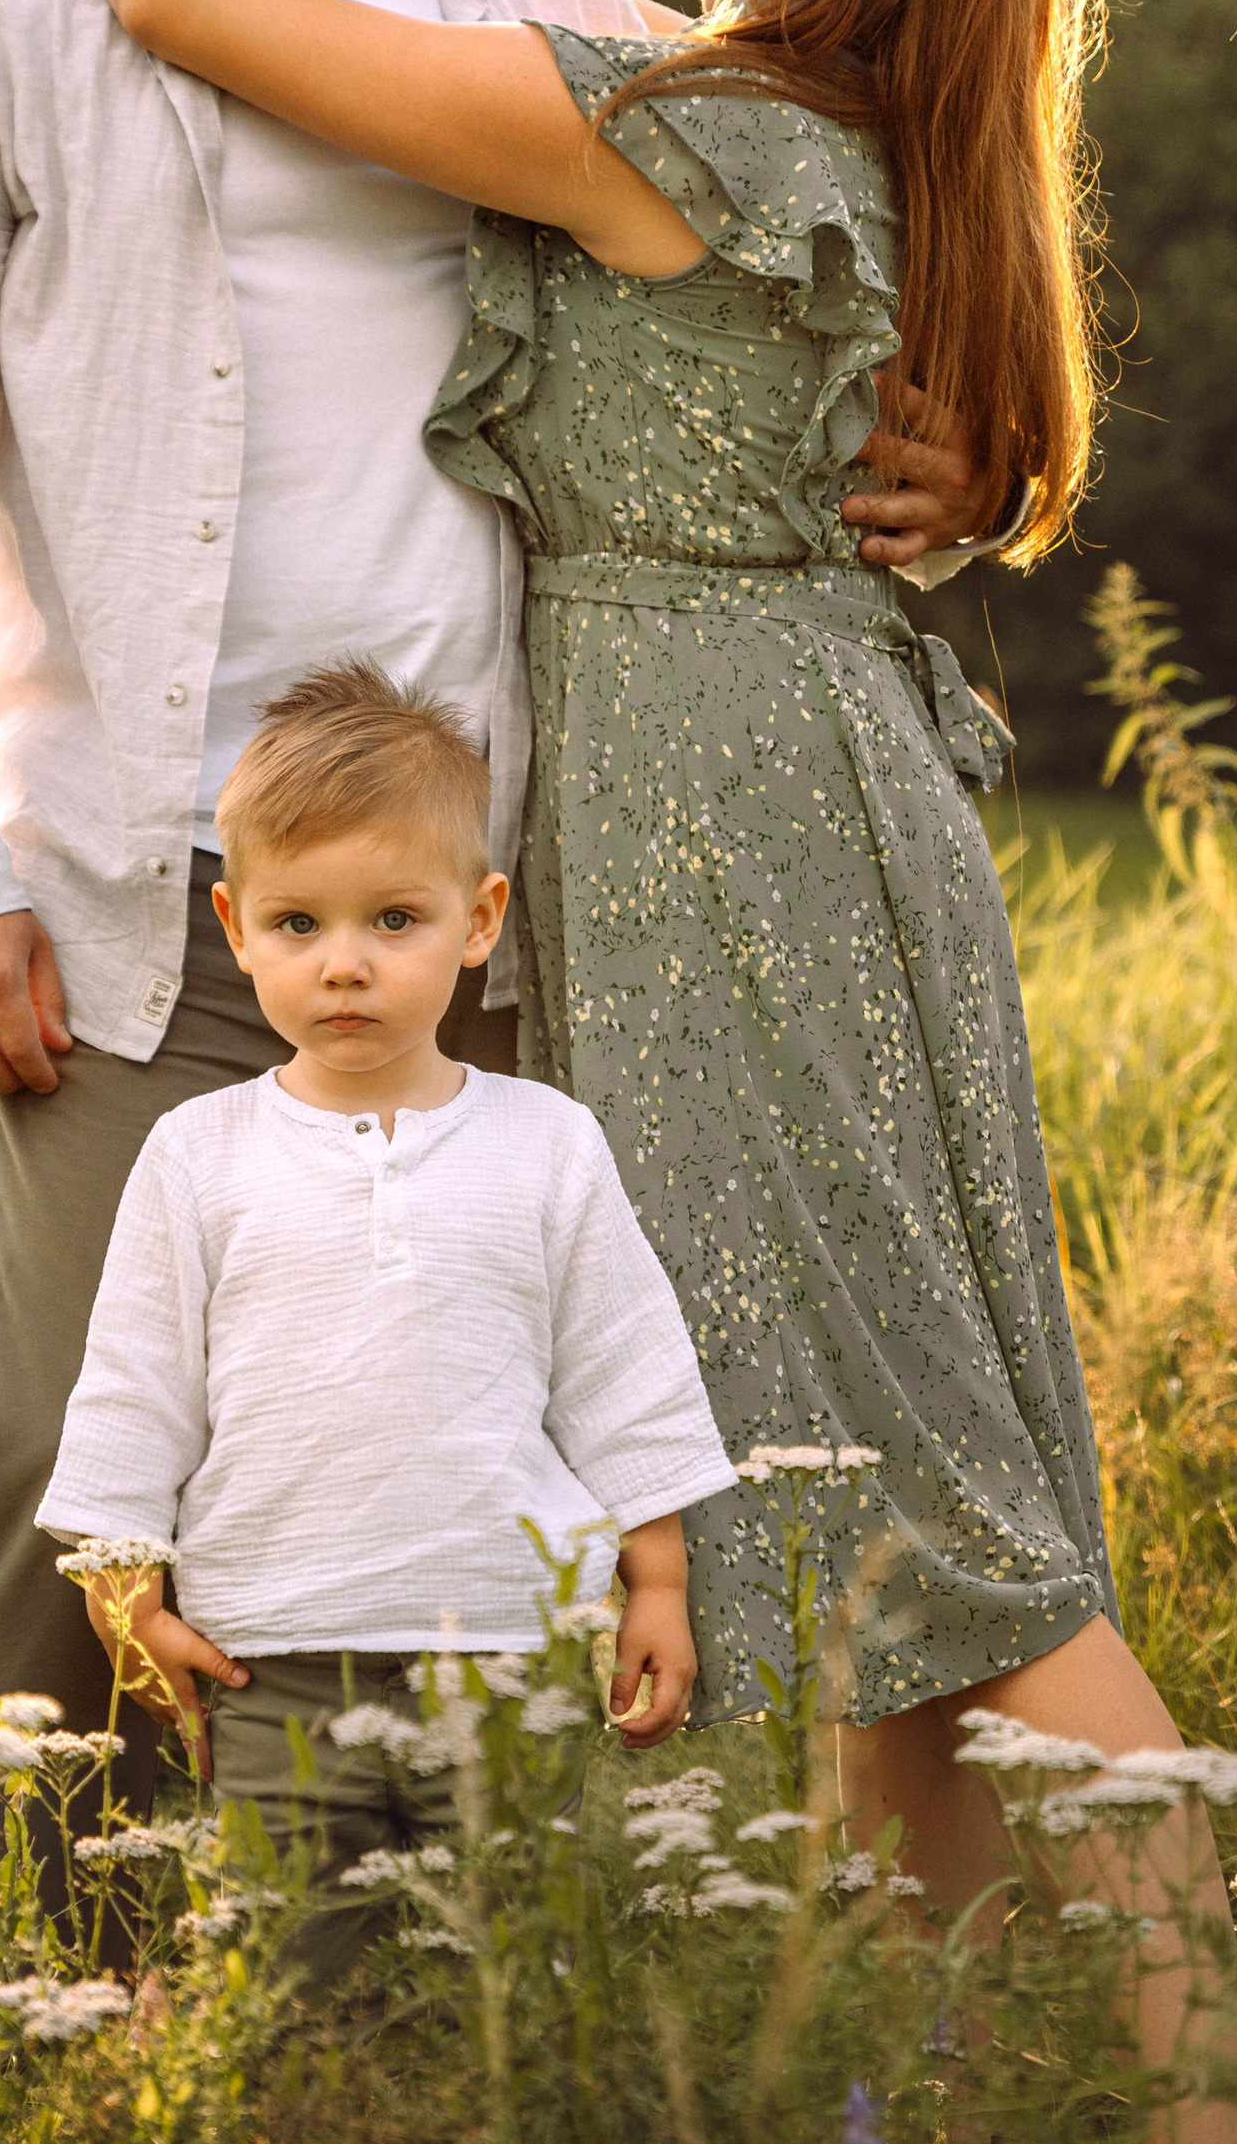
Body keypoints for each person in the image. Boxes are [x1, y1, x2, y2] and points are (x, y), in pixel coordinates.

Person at [69, 0, 1237, 2144]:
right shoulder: (783, 127)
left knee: (934, 1506)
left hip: (740, 830)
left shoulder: (665, 130)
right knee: (851, 1502)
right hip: (785, 795)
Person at [0, 0, 999, 1810]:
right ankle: (49, 1972)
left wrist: (936, 477)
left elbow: (780, 328)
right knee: (80, 1487)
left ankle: (455, 1976)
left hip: (532, 905)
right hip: (152, 909)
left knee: (501, 1486)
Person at [40, 661, 733, 1989]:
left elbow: (624, 1371)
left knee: (519, 1981)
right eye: (298, 923)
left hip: (511, 1656)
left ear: (480, 921)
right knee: (287, 1983)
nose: (344, 963)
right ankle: (286, 2123)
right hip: (273, 1662)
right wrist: (124, 1588)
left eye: (395, 919)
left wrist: (658, 1583)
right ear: (236, 927)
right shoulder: (201, 1154)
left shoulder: (544, 1143)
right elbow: (136, 1386)